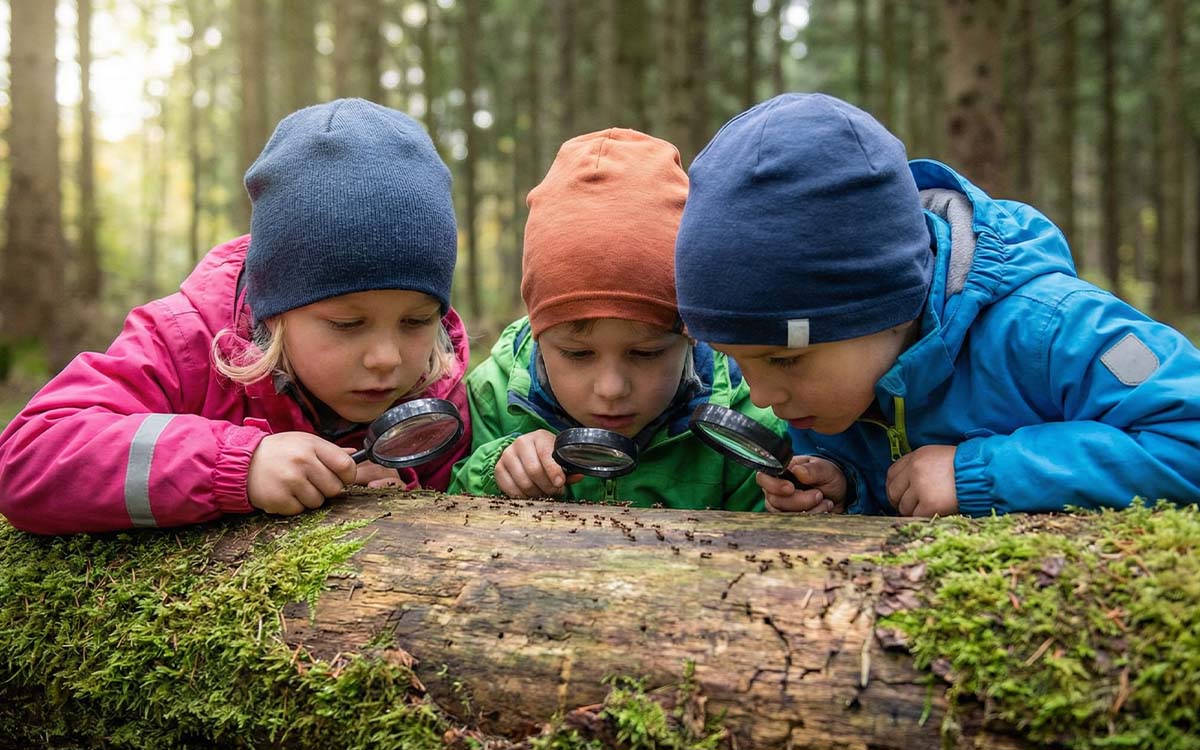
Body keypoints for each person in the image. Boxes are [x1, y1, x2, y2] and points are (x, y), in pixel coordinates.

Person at [673, 92, 1200, 517]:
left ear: (885, 306)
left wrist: (979, 474)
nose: (763, 397)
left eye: (784, 359)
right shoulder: (834, 380)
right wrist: (848, 487)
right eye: (738, 359)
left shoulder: (1049, 328)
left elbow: (1187, 436)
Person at [0, 98, 471, 534]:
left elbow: (462, 499)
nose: (387, 358)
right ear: (274, 309)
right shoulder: (185, 343)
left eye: (415, 321)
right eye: (347, 324)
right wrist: (238, 464)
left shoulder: (435, 384)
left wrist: (407, 495)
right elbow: (27, 459)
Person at [449, 128, 784, 510]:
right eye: (578, 354)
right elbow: (448, 503)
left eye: (645, 353)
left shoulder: (743, 414)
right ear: (539, 334)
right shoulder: (493, 398)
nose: (611, 389)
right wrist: (495, 471)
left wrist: (788, 500)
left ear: (691, 333)